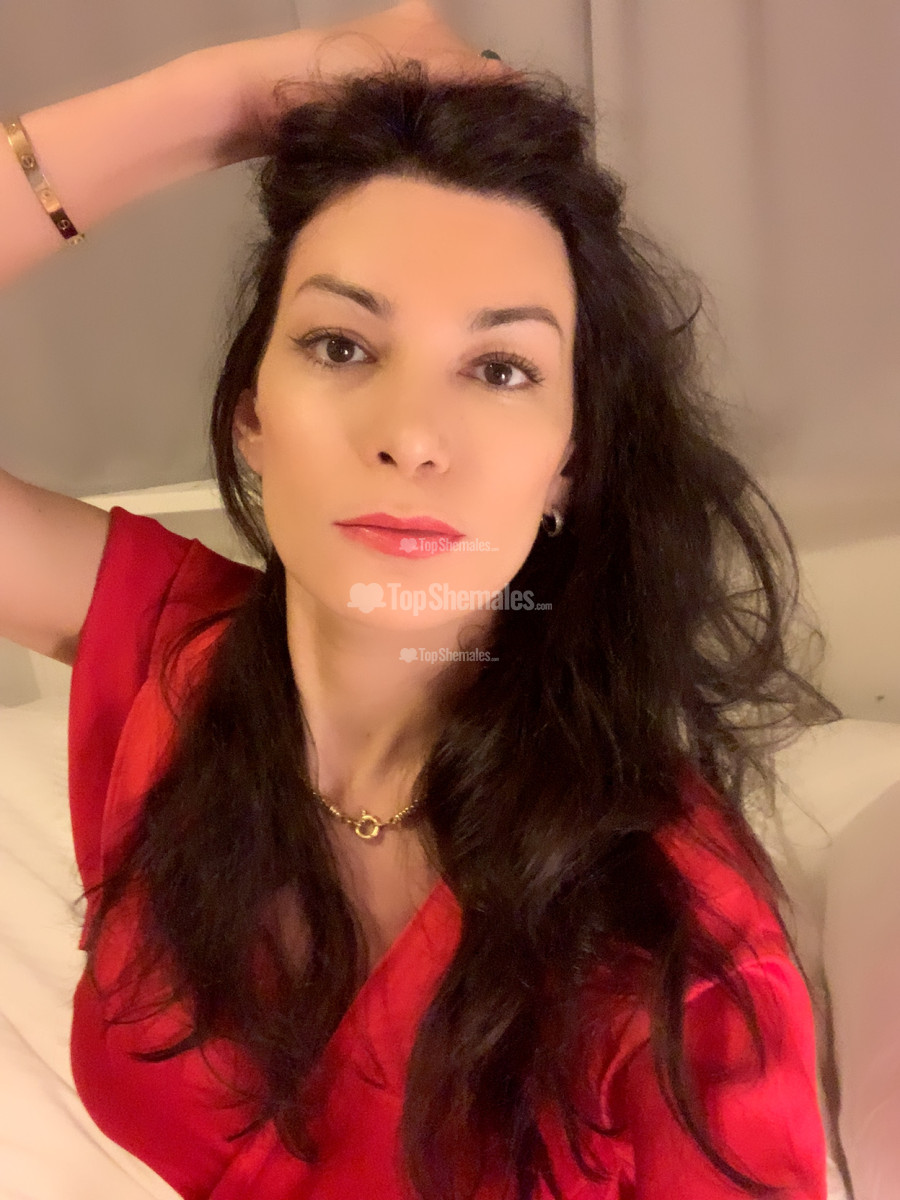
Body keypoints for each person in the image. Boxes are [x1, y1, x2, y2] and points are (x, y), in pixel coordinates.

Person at [0, 2, 839, 1196]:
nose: (411, 435)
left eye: (500, 368)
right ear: (250, 412)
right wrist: (233, 96)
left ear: (569, 462)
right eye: (342, 345)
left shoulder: (682, 963)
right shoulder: (166, 667)